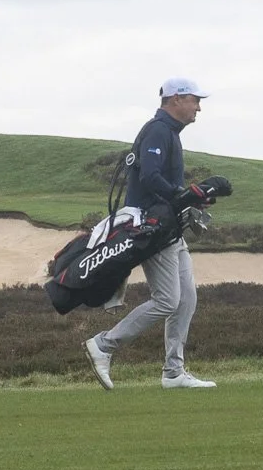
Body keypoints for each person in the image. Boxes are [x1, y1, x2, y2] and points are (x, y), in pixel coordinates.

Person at [83, 78, 218, 391]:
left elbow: (159, 181)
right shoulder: (158, 130)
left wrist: (193, 196)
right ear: (176, 99)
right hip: (151, 227)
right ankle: (104, 345)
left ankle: (173, 372)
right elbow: (150, 177)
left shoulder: (168, 132)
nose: (199, 107)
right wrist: (184, 194)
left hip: (168, 226)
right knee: (168, 300)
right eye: (195, 100)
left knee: (186, 299)